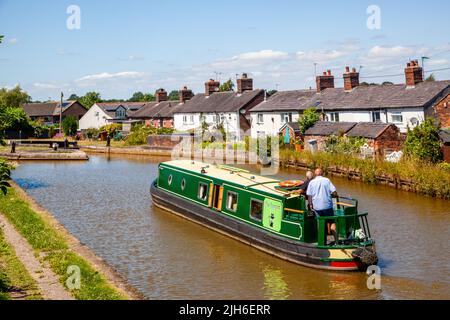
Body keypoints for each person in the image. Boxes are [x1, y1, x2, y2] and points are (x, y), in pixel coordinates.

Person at [306, 168, 338, 245]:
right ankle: (336, 241)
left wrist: (310, 204)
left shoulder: (312, 182)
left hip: (317, 207)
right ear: (322, 173)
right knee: (332, 223)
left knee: (320, 223)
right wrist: (335, 195)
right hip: (327, 206)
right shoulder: (327, 180)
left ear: (315, 174)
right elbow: (334, 192)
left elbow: (309, 195)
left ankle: (322, 241)